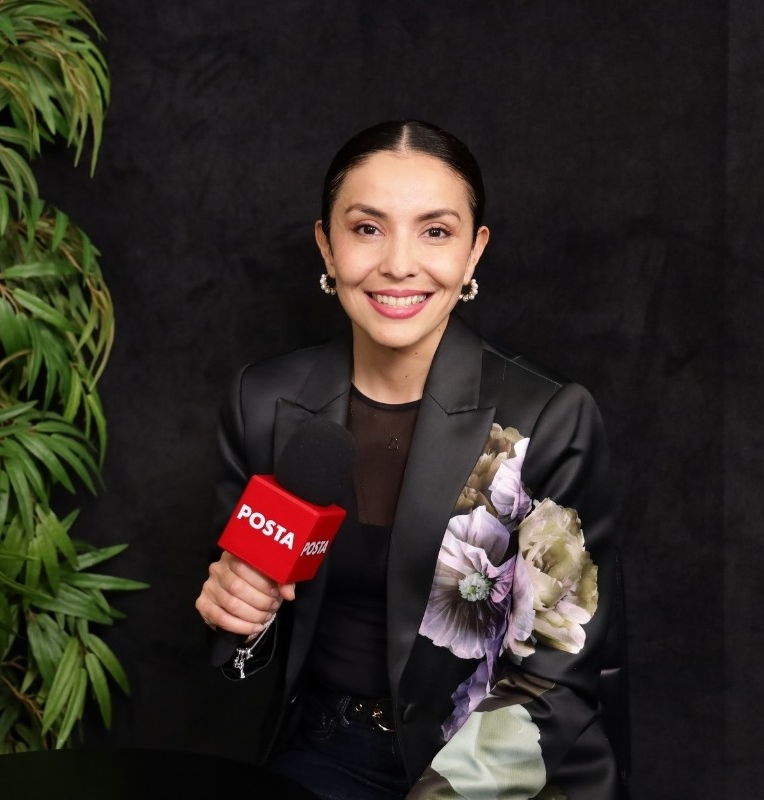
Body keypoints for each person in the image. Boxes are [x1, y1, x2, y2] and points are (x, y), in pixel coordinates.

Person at [195, 120, 621, 799]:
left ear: (473, 252)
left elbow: (556, 672)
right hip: (328, 750)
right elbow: (240, 633)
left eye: (435, 231)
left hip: (501, 764)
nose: (398, 263)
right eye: (367, 228)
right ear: (326, 246)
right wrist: (240, 616)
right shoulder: (265, 401)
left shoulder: (548, 420)